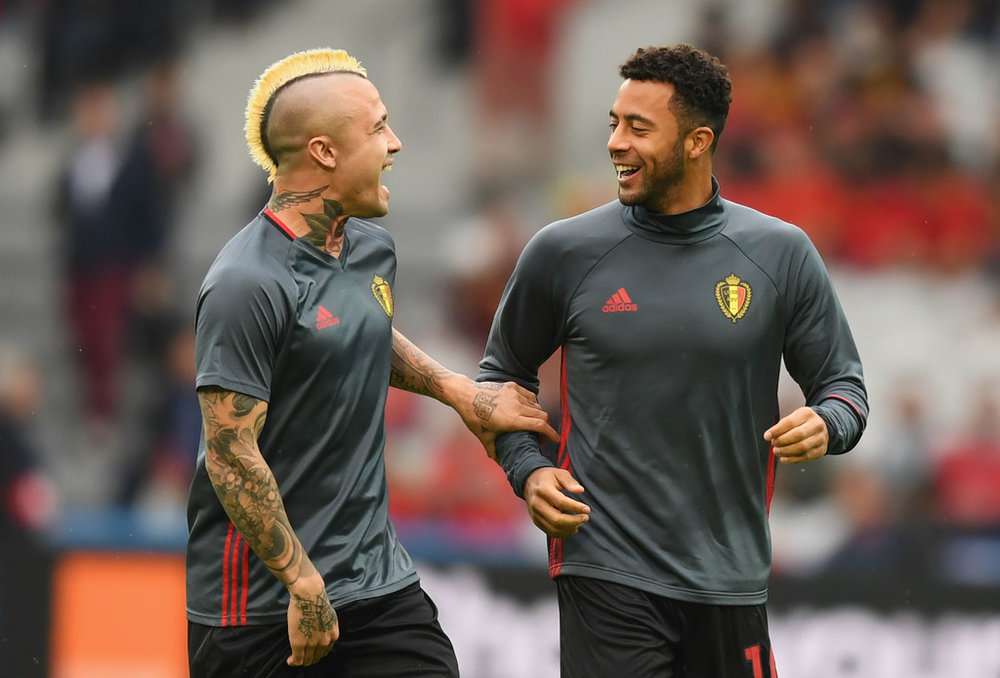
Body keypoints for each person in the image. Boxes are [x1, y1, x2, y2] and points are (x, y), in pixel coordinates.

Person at [478, 44, 869, 678]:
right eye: (614, 123)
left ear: (697, 142)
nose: (616, 143)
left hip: (730, 576)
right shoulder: (563, 252)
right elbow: (500, 377)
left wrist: (828, 423)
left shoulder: (780, 253)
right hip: (605, 567)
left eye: (638, 128)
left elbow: (844, 387)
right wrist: (529, 469)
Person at [186, 49, 558, 677]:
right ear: (325, 152)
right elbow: (230, 454)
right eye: (378, 127)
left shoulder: (369, 250)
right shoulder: (245, 283)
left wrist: (458, 392)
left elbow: (361, 329)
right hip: (261, 607)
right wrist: (301, 581)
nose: (395, 143)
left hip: (376, 585)